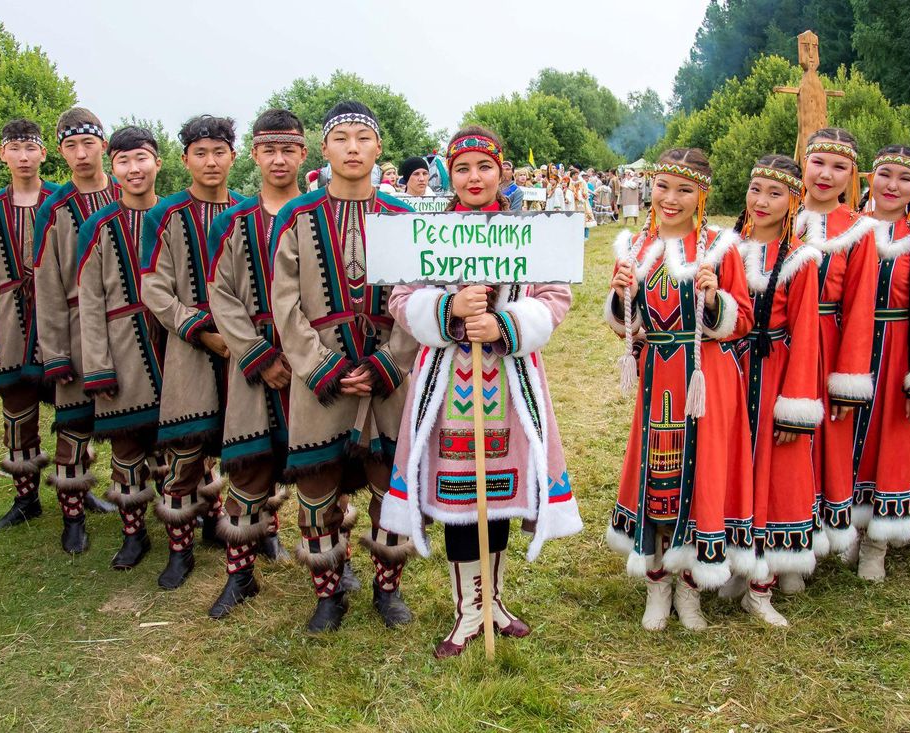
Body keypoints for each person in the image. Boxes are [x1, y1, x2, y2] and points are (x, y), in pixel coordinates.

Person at [381, 125, 582, 657]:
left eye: (484, 167)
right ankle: (467, 610)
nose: (474, 177)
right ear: (451, 173)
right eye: (463, 168)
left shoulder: (529, 233)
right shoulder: (431, 232)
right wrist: (447, 311)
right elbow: (401, 298)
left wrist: (506, 324)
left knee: (498, 498)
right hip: (449, 385)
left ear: (501, 171)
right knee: (459, 501)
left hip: (509, 387)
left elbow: (556, 296)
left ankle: (493, 602)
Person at [270, 101, 418, 633]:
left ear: (379, 148)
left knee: (390, 486)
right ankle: (327, 593)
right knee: (317, 490)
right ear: (325, 148)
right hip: (320, 379)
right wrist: (321, 366)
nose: (352, 148)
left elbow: (420, 299)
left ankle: (387, 589)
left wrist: (388, 362)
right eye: (342, 139)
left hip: (387, 376)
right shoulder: (296, 217)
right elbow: (284, 303)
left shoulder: (404, 220)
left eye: (363, 138)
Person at [605, 148, 754, 632]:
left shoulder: (720, 246)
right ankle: (656, 585)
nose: (671, 199)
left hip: (705, 380)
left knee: (703, 481)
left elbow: (743, 323)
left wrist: (715, 299)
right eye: (664, 187)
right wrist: (620, 296)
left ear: (702, 195)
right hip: (658, 379)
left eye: (684, 190)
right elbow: (622, 326)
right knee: (658, 477)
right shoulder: (634, 246)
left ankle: (692, 590)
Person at [204, 109, 310, 619]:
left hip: (314, 357)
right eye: (269, 149)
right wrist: (257, 354)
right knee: (247, 464)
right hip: (254, 356)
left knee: (325, 463)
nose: (278, 158)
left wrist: (309, 351)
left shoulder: (319, 214)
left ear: (304, 153)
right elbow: (221, 295)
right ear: (254, 154)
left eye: (288, 148)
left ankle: (333, 565)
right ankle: (239, 575)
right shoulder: (233, 222)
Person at [140, 115, 243, 590]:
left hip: (243, 348)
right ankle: (179, 551)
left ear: (233, 157)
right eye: (200, 152)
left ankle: (252, 536)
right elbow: (155, 288)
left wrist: (242, 336)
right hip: (188, 347)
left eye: (218, 151)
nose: (210, 161)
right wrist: (200, 329)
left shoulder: (245, 211)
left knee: (247, 452)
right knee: (184, 451)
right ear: (184, 159)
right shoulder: (166, 215)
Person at [732, 155, 823, 624]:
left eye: (775, 192)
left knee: (771, 475)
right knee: (731, 471)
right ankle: (728, 565)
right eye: (756, 189)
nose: (762, 201)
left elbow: (807, 334)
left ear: (794, 200)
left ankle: (760, 587)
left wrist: (795, 407)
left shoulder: (802, 258)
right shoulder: (728, 247)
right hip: (729, 375)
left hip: (775, 374)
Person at [852, 146, 910, 582]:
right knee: (846, 444)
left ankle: (877, 545)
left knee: (890, 447)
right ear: (871, 176)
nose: (892, 186)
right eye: (885, 174)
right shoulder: (849, 230)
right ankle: (846, 532)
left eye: (904, 179)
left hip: (895, 353)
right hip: (847, 350)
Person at [76, 125, 166, 569]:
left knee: (180, 443)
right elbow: (89, 303)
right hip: (121, 347)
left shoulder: (173, 215)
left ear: (158, 163)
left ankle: (183, 526)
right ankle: (134, 534)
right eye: (124, 161)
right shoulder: (98, 226)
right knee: (128, 450)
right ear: (113, 168)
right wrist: (97, 366)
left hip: (174, 346)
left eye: (142, 158)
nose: (134, 169)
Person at [33, 107, 121, 554]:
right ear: (61, 152)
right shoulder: (54, 210)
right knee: (73, 425)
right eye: (71, 145)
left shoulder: (129, 193)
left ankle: (139, 516)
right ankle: (72, 518)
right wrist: (56, 352)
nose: (82, 153)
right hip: (75, 328)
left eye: (88, 143)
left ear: (103, 145)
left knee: (131, 424)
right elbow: (46, 285)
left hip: (128, 328)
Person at [0, 119, 58, 531]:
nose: (23, 157)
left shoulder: (61, 200)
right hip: (11, 322)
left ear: (43, 153)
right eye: (14, 149)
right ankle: (26, 497)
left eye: (30, 148)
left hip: (59, 320)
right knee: (18, 411)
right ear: (2, 154)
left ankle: (76, 488)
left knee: (73, 408)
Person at [795, 128, 878, 561]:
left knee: (827, 442)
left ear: (852, 174)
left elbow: (862, 307)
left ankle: (816, 540)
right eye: (818, 163)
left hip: (829, 342)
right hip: (779, 348)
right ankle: (777, 536)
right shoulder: (775, 212)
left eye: (839, 166)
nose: (826, 174)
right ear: (803, 162)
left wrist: (848, 380)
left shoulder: (861, 230)